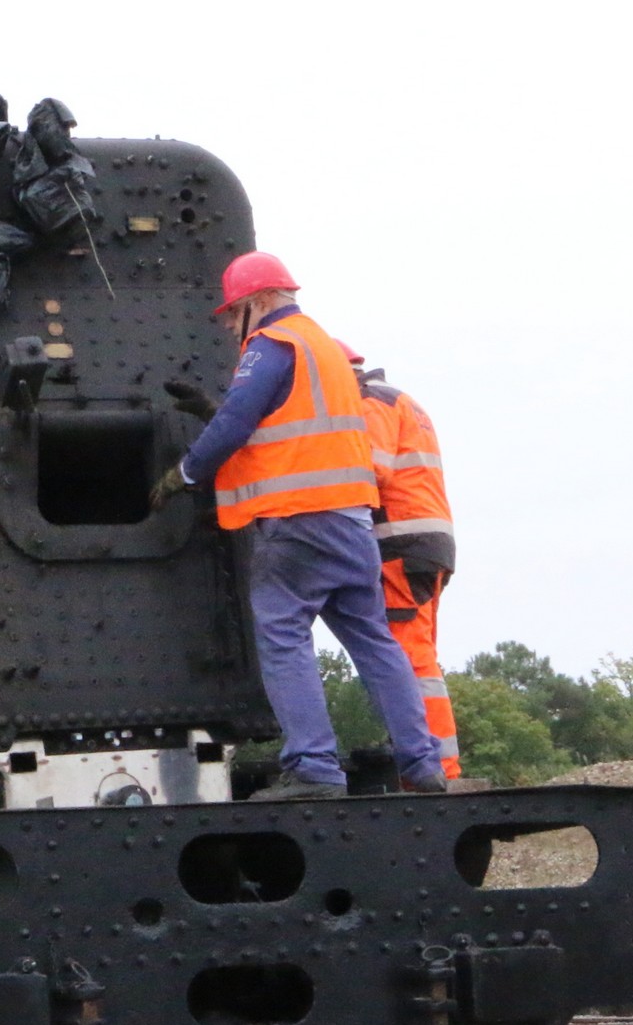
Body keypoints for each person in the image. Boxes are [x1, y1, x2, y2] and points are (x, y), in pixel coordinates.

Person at [151, 250, 446, 801]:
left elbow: (240, 421)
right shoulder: (326, 350)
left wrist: (185, 473)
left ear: (257, 301)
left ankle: (314, 767)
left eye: (230, 313)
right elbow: (292, 424)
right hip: (351, 518)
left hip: (298, 520)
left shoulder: (272, 344)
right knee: (373, 639)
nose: (227, 325)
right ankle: (422, 763)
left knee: (283, 632)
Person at [349, 346, 460, 780]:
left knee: (410, 657)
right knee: (420, 654)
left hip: (401, 542)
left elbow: (369, 472)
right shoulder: (403, 401)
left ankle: (437, 765)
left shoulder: (370, 402)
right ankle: (429, 757)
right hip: (425, 542)